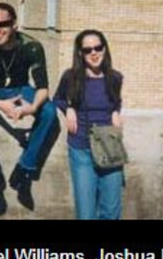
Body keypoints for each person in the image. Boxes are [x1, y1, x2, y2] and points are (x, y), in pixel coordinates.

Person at [0, 2, 58, 215]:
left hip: (21, 90)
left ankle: (24, 171)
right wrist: (0, 105)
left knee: (49, 113)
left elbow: (43, 88)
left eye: (3, 24)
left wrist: (32, 108)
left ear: (14, 24)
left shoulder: (31, 46)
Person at [53, 30, 124, 220]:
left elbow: (116, 102)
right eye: (87, 50)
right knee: (86, 214)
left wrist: (116, 112)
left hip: (109, 146)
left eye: (98, 48)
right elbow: (58, 99)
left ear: (104, 49)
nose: (94, 53)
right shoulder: (70, 77)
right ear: (80, 53)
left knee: (111, 211)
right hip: (81, 149)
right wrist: (69, 108)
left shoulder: (115, 78)